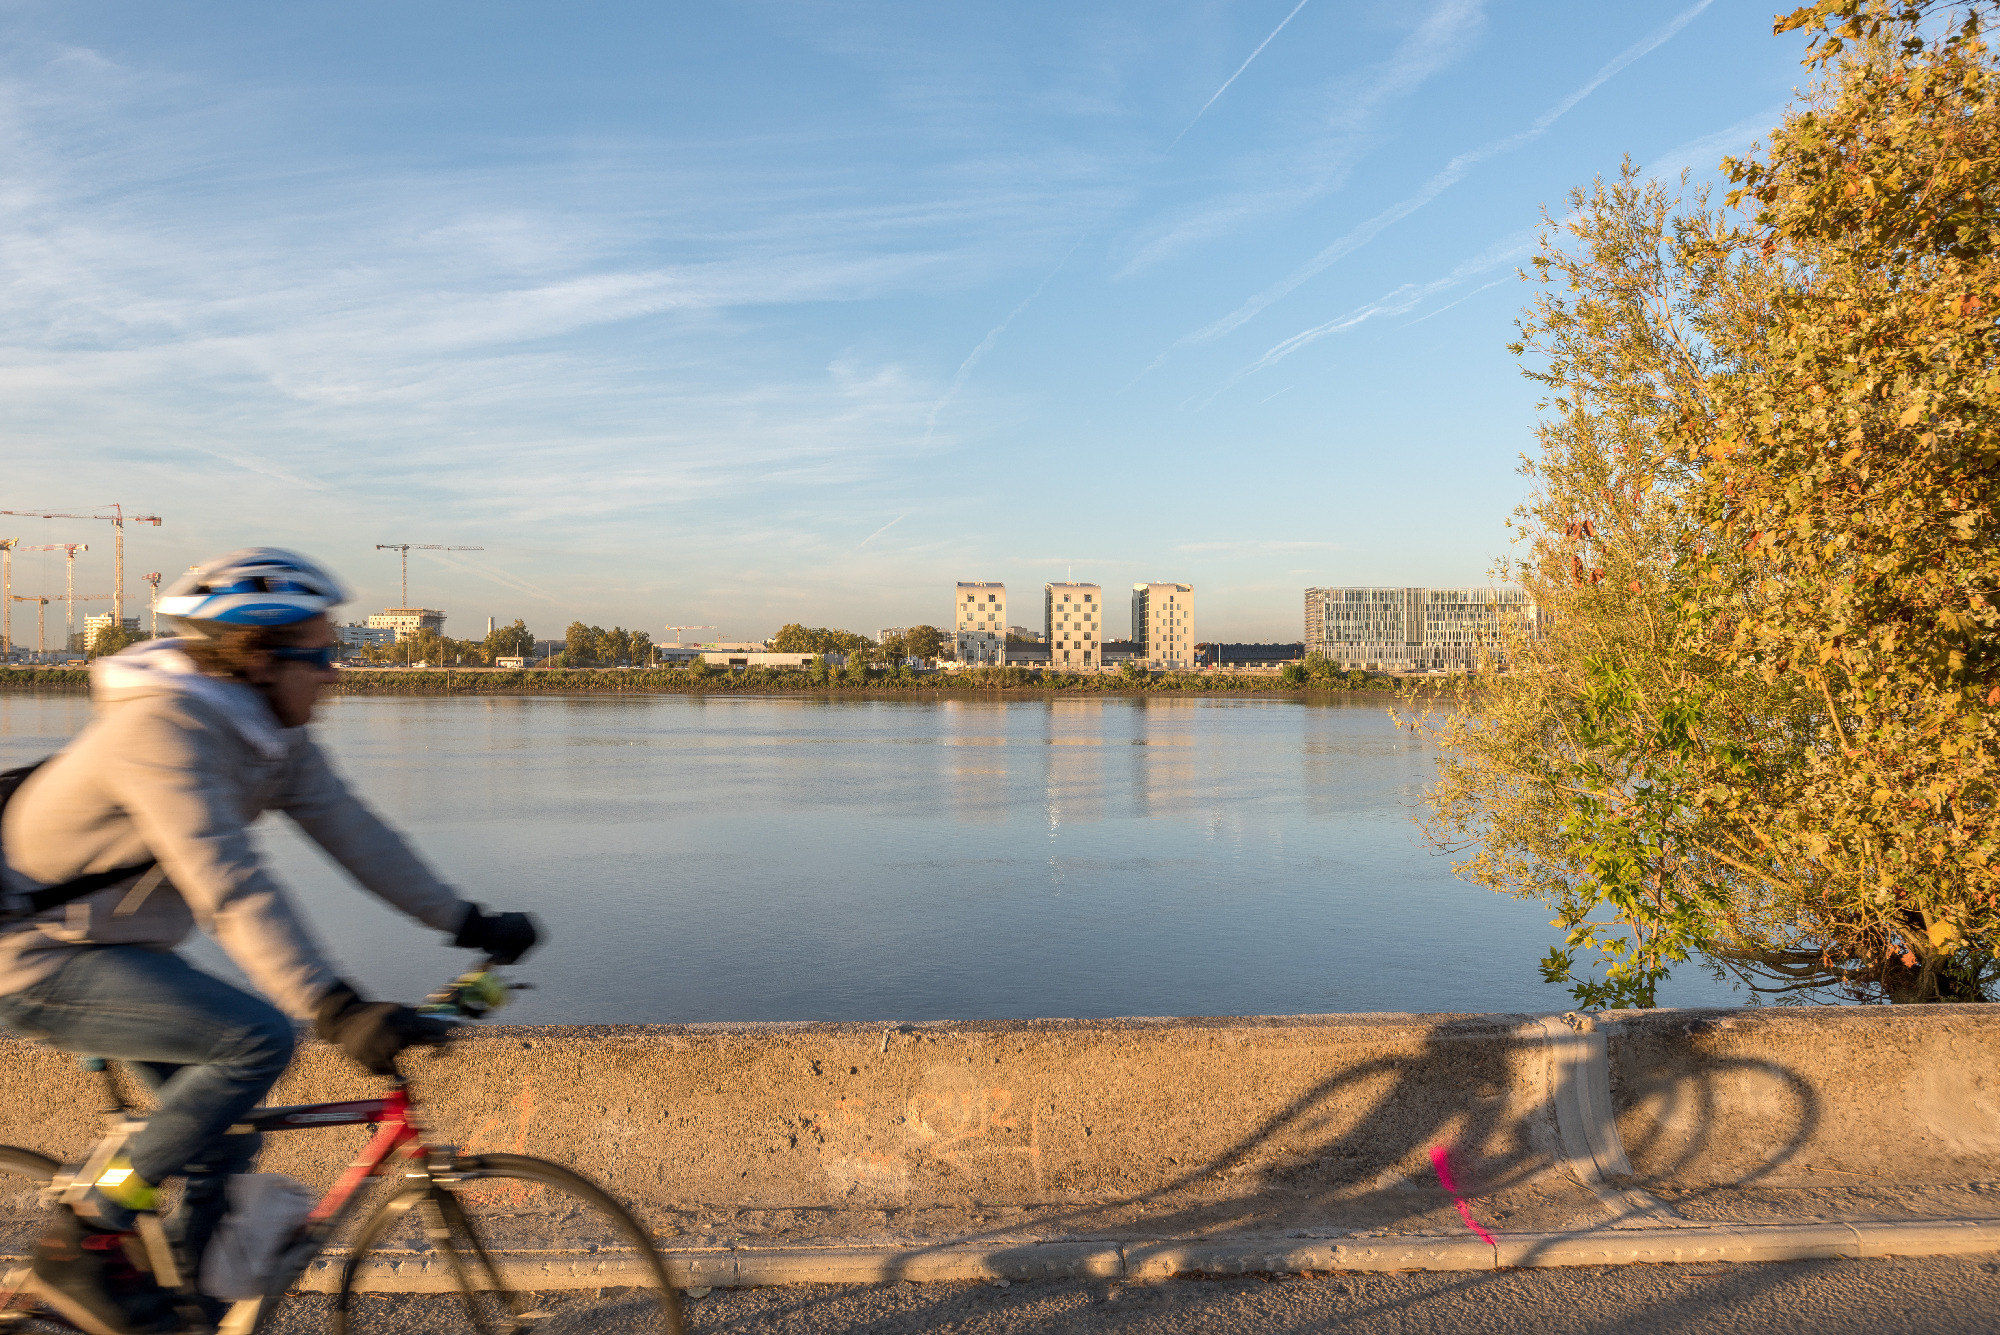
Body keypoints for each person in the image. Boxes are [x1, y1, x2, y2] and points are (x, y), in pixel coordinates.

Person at [0, 549, 538, 1335]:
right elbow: (230, 884)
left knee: (218, 1138)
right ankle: (80, 1233)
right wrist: (333, 1004)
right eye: (320, 653)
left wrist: (463, 919)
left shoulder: (269, 733)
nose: (336, 671)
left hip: (114, 951)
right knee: (254, 1040)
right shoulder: (162, 729)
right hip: (32, 954)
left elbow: (358, 834)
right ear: (256, 657)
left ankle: (177, 1308)